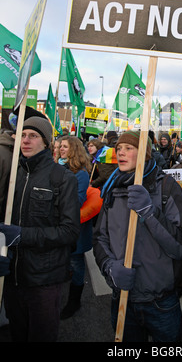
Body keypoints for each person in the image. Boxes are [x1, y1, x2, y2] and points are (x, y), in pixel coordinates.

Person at [93, 130, 182, 342]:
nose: (121, 152)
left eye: (129, 148)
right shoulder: (112, 187)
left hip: (161, 302)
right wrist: (110, 267)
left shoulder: (166, 187)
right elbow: (100, 238)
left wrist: (149, 212)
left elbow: (181, 246)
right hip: (122, 299)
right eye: (119, 148)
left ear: (145, 154)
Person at [0, 117, 80, 342]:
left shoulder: (62, 178)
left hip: (44, 280)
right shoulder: (13, 175)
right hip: (12, 276)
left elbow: (70, 231)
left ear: (46, 142)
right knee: (17, 334)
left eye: (33, 136)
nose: (26, 140)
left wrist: (22, 236)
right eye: (22, 135)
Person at [58, 136, 92, 319]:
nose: (60, 149)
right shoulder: (56, 167)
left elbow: (76, 201)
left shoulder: (81, 174)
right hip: (57, 226)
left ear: (74, 150)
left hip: (74, 229)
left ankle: (74, 301)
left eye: (64, 146)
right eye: (59, 146)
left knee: (76, 264)